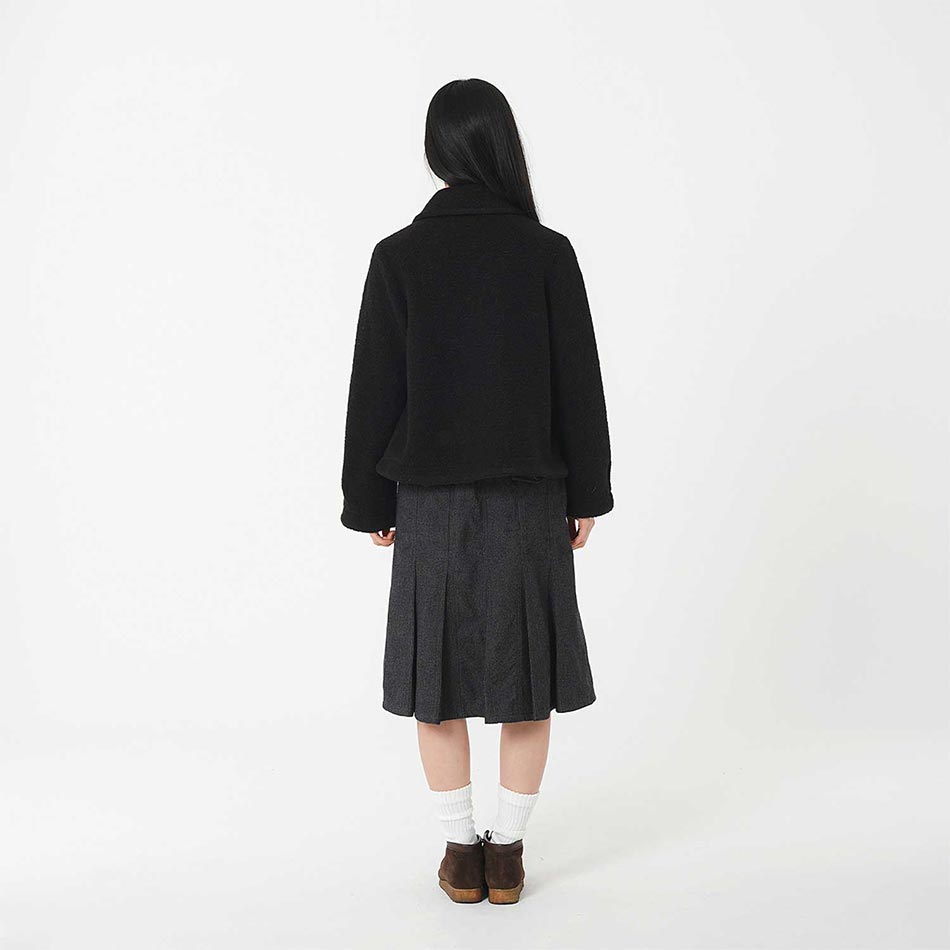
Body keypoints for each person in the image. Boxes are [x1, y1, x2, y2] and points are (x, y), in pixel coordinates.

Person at [341, 78, 613, 904]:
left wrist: (370, 501)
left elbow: (375, 389)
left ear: (436, 153)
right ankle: (510, 851)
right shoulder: (547, 251)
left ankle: (462, 852)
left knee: (437, 682)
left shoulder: (399, 256)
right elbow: (579, 384)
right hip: (530, 499)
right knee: (527, 680)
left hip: (429, 503)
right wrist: (587, 491)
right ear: (502, 145)